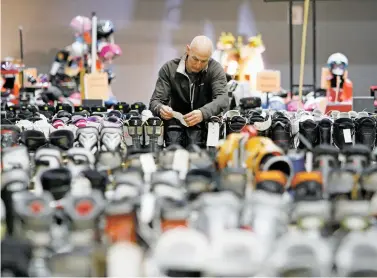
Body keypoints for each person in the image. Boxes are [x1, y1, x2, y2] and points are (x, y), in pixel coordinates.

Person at [149, 35, 229, 147]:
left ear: (210, 57)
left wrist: (203, 113)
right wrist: (161, 109)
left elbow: (223, 99)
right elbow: (155, 102)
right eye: (195, 59)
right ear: (188, 50)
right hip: (174, 131)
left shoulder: (215, 69)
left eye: (204, 61)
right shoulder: (169, 69)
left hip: (205, 130)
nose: (198, 65)